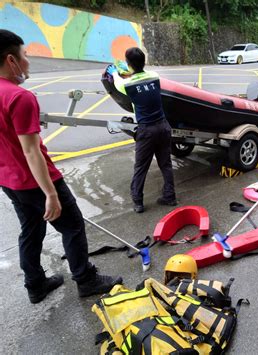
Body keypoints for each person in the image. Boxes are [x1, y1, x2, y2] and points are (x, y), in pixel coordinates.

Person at [0, 30, 122, 304]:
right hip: (36, 181)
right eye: (25, 56)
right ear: (11, 60)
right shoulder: (19, 97)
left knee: (31, 229)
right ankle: (86, 280)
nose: (28, 63)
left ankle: (35, 285)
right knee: (73, 226)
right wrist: (51, 194)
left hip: (9, 181)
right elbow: (31, 151)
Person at [109, 47, 177, 213]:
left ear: (129, 64)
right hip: (163, 126)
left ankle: (138, 202)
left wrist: (115, 71)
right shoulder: (154, 77)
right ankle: (170, 196)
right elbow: (139, 77)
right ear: (144, 61)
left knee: (141, 167)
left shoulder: (127, 83)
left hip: (146, 131)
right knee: (165, 164)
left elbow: (117, 80)